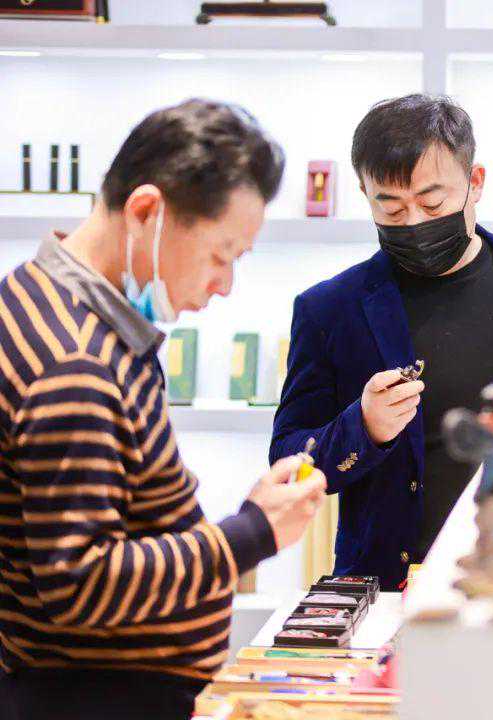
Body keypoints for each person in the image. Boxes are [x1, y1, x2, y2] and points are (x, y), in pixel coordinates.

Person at [0, 99, 327, 720]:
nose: (224, 285)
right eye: (220, 255)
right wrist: (251, 534)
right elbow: (81, 582)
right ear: (147, 212)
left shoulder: (41, 297)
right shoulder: (75, 358)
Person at [270, 94, 493, 589]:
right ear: (365, 194)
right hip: (392, 584)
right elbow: (287, 459)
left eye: (432, 203)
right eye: (390, 206)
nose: (414, 223)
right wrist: (363, 427)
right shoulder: (331, 308)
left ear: (475, 183)